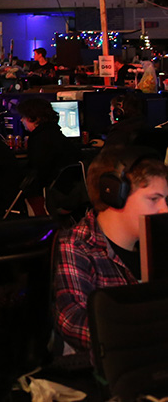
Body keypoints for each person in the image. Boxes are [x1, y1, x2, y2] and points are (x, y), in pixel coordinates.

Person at [54, 147, 168, 358]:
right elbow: (72, 322)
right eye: (154, 199)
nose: (165, 209)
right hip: (110, 369)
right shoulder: (77, 246)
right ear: (114, 195)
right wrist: (145, 335)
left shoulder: (158, 243)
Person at [19, 98, 80, 196]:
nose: (21, 120)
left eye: (23, 117)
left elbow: (38, 172)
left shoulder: (38, 139)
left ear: (32, 118)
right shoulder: (56, 133)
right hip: (67, 191)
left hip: (49, 193)